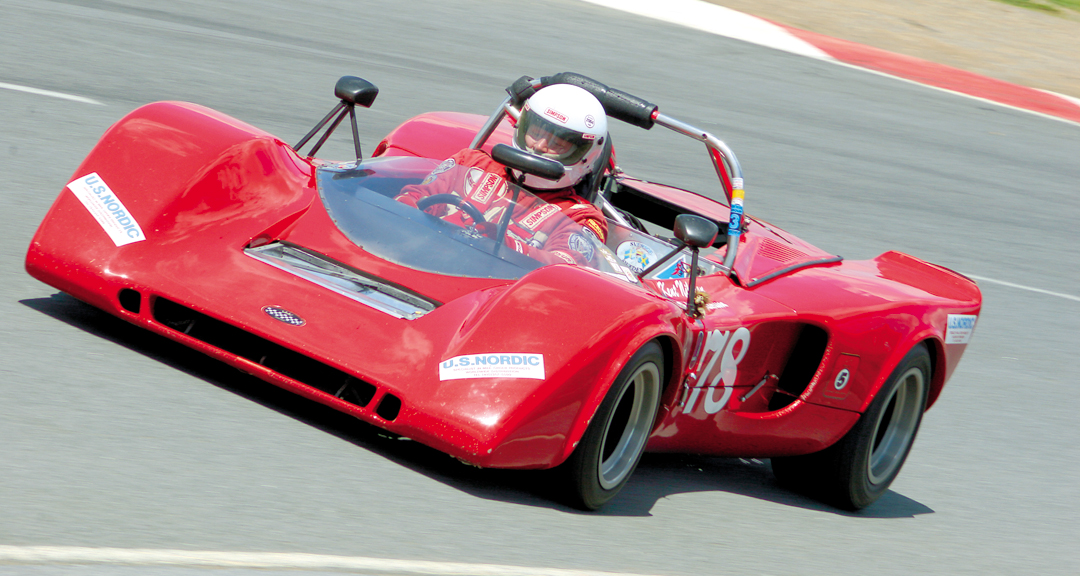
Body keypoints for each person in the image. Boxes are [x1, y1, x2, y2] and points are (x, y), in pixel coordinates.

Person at [395, 84, 609, 265]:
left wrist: (506, 246)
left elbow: (568, 267)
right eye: (536, 132)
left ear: (586, 153)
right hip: (418, 256)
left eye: (559, 143)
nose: (540, 146)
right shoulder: (470, 162)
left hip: (491, 293)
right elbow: (418, 195)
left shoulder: (580, 216)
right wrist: (403, 206)